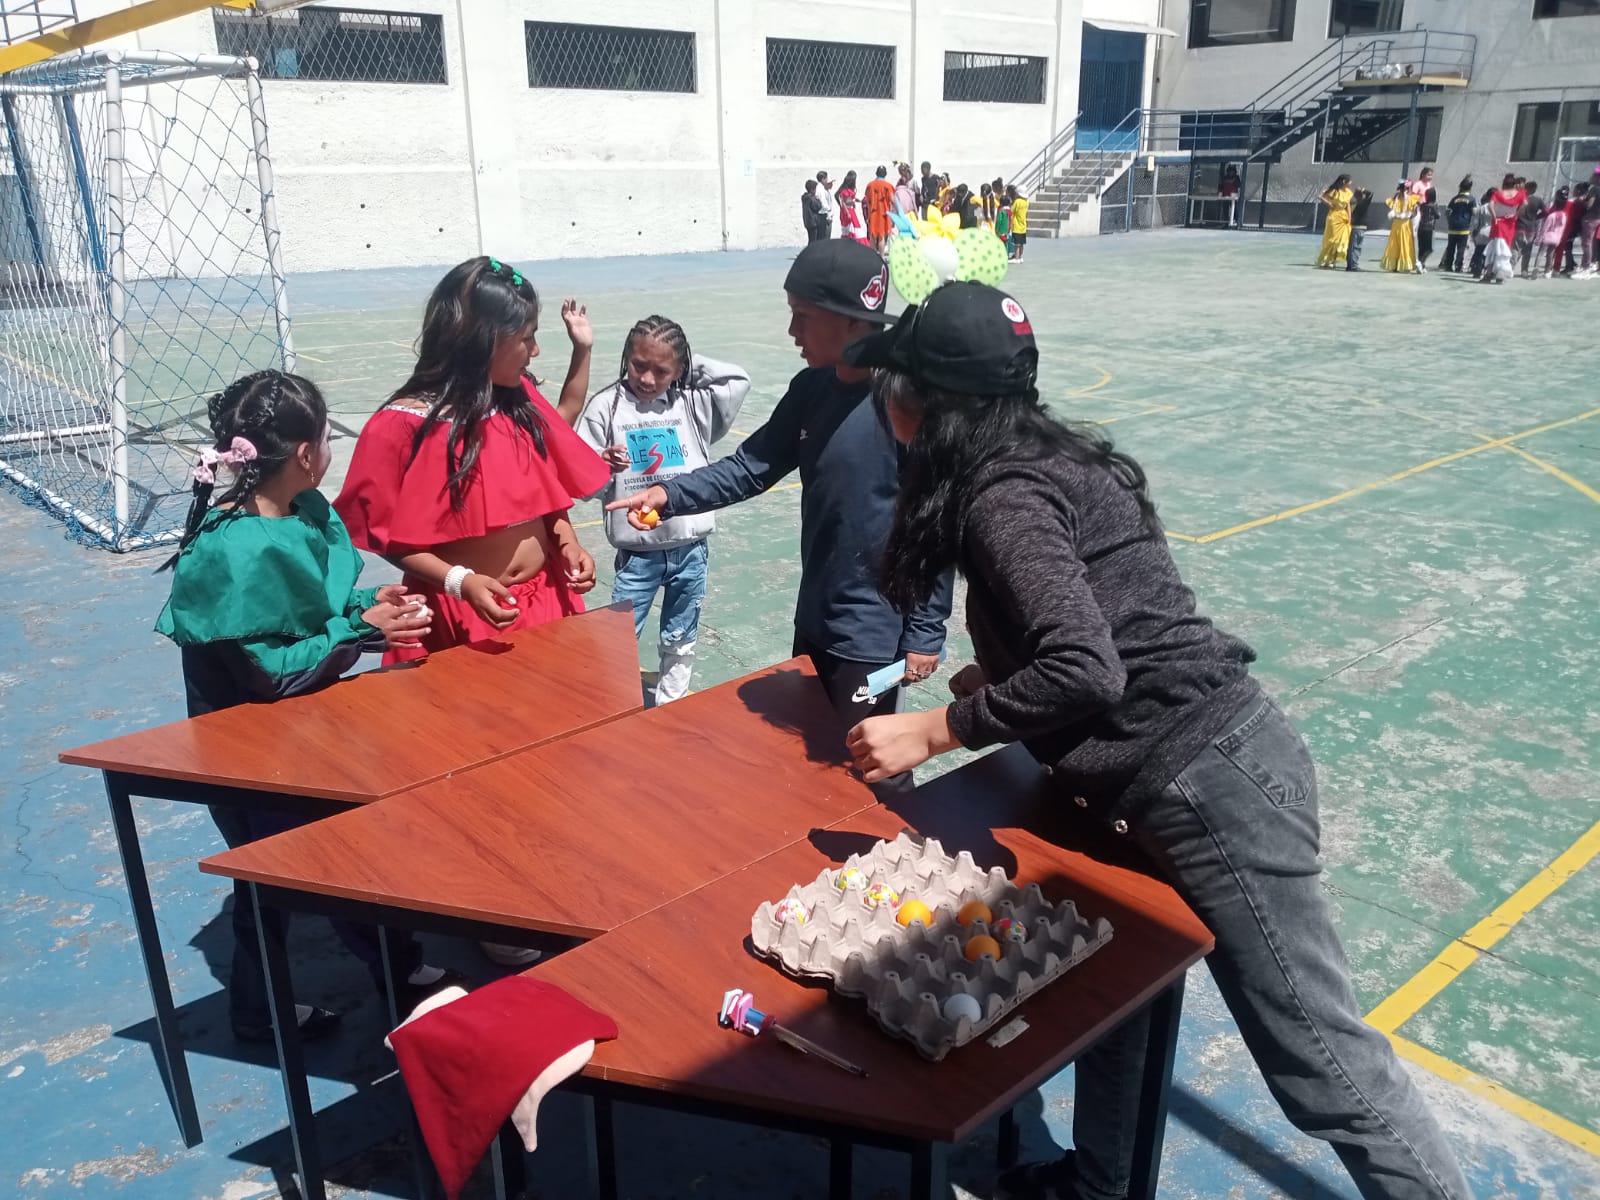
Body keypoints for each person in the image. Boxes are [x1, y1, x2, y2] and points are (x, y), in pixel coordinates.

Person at [840, 280, 1475, 1200]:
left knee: (1319, 1062)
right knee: (1123, 1001)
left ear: (934, 406)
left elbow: (1088, 668)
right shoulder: (1047, 457)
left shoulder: (1002, 497)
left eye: (894, 387)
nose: (884, 406)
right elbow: (1115, 626)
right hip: (1169, 774)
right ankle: (1102, 1185)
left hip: (1206, 783)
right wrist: (1002, 676)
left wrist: (939, 727)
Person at [157, 370, 463, 1042]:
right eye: (327, 439)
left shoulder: (300, 512)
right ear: (304, 453)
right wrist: (362, 633)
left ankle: (380, 969)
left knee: (324, 862)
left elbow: (312, 609)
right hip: (251, 754)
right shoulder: (233, 549)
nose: (329, 451)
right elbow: (270, 672)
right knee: (288, 874)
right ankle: (274, 1006)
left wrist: (369, 605)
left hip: (305, 732)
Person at [604, 239, 953, 792]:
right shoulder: (811, 389)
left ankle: (899, 841)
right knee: (806, 762)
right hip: (814, 616)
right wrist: (669, 494)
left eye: (803, 317)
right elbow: (751, 466)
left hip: (875, 633)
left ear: (852, 321)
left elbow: (936, 522)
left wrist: (926, 631)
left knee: (872, 767)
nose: (792, 331)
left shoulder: (906, 404)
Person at [571, 317, 750, 705]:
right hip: (638, 555)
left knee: (681, 635)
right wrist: (601, 463)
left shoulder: (691, 403)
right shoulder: (606, 407)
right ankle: (615, 703)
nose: (648, 379)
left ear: (679, 370)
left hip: (691, 549)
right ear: (626, 358)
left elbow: (736, 380)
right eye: (639, 365)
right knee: (620, 636)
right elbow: (580, 481)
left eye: (662, 370)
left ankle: (672, 703)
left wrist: (685, 364)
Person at [1483, 173, 1526, 284]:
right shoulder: (1519, 194)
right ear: (1514, 184)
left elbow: (1490, 205)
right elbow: (1525, 204)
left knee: (1493, 248)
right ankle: (1500, 275)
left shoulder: (1498, 193)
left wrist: (1495, 217)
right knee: (1504, 249)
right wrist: (1516, 214)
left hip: (1498, 222)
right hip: (1509, 224)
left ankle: (1489, 274)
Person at [1315, 174, 1354, 268]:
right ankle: (1327, 260)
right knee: (1332, 239)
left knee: (1341, 240)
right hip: (1334, 217)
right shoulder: (1334, 191)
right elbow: (1320, 196)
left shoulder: (1348, 192)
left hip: (1343, 217)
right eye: (1349, 181)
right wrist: (1329, 203)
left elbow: (1348, 206)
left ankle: (1334, 260)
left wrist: (1349, 218)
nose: (1351, 183)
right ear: (1344, 181)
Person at [1380, 181, 1419, 273]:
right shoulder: (1407, 199)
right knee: (1401, 244)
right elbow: (1414, 212)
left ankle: (1397, 265)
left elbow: (1413, 212)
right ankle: (1401, 266)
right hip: (1402, 224)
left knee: (1397, 244)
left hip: (1400, 224)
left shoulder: (1400, 198)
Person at [1438, 176, 1474, 272]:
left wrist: (1450, 221)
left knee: (1451, 247)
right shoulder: (1471, 199)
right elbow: (1474, 212)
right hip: (1464, 227)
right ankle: (1458, 266)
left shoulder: (1455, 198)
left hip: (1453, 226)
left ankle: (1448, 266)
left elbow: (1447, 211)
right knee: (1461, 247)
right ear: (1470, 188)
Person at [1535, 188, 1570, 278]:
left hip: (1546, 238)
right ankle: (1547, 272)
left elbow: (1545, 228)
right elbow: (1561, 230)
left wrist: (1539, 239)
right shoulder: (1564, 216)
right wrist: (1558, 240)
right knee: (1550, 255)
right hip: (1556, 239)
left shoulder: (1551, 216)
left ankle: (1536, 269)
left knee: (1540, 254)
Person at [1515, 181, 1546, 277]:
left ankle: (1510, 268)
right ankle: (1524, 270)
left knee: (1516, 248)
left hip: (1519, 226)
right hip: (1531, 228)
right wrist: (1537, 216)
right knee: (1527, 250)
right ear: (1534, 190)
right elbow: (1546, 211)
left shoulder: (1520, 198)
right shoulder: (1538, 200)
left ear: (1526, 188)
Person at [865, 165, 897, 253]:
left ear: (876, 173)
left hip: (873, 214)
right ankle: (881, 257)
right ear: (885, 174)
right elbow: (893, 200)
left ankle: (872, 257)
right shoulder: (888, 186)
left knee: (872, 237)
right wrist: (898, 211)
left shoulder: (870, 185)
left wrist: (868, 214)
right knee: (881, 237)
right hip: (884, 215)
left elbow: (867, 200)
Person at [836, 171, 869, 246]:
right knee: (854, 228)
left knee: (852, 228)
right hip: (848, 211)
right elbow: (844, 202)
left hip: (850, 210)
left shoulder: (846, 190)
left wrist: (856, 200)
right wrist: (848, 211)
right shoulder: (845, 191)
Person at [1468, 188, 1495, 279]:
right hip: (1491, 231)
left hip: (1481, 231)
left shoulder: (1482, 208)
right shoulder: (1496, 207)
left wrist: (1474, 230)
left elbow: (1475, 221)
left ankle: (1476, 270)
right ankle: (1488, 271)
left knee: (1479, 251)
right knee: (1488, 253)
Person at [1346, 187, 1373, 271]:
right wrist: (1363, 189)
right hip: (1358, 228)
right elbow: (1370, 194)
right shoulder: (1363, 203)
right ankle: (1353, 265)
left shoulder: (1353, 204)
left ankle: (1351, 265)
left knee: (1353, 247)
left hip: (1356, 227)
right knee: (1355, 247)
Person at [1415, 176, 1438, 271]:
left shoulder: (1423, 205)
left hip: (1421, 227)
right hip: (1429, 228)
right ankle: (1420, 262)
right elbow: (1437, 215)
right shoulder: (1434, 206)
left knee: (1421, 247)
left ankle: (1421, 266)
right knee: (1429, 248)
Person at [1008, 185, 1030, 261]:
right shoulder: (1027, 201)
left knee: (1016, 244)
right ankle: (1020, 257)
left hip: (1016, 226)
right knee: (1021, 244)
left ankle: (1016, 258)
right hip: (1023, 226)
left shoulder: (1017, 201)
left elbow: (1011, 210)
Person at [802, 178, 827, 243]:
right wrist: (818, 199)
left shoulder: (805, 197)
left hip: (808, 222)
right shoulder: (811, 198)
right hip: (813, 222)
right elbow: (817, 206)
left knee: (811, 238)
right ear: (812, 189)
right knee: (813, 240)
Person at [815, 169, 837, 239]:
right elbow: (824, 204)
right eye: (826, 178)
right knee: (824, 237)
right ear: (822, 179)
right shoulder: (820, 189)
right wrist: (828, 215)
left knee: (825, 237)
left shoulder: (824, 189)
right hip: (824, 217)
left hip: (825, 216)